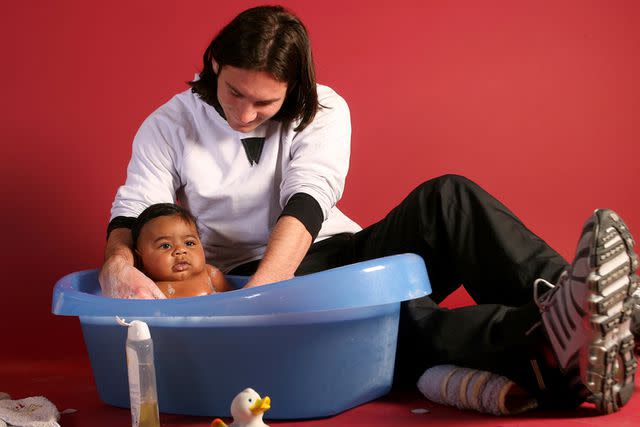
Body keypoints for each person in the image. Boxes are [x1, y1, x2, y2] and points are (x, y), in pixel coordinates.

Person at [99, 5, 639, 415]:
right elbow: (135, 209)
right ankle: (546, 340)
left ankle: (582, 303)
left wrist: (271, 289)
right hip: (244, 278)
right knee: (394, 315)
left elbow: (308, 198)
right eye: (235, 92)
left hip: (321, 251)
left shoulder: (325, 106)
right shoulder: (169, 124)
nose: (245, 113)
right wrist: (119, 265)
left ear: (295, 89)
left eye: (265, 103)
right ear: (215, 63)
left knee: (447, 196)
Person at [131, 203, 232, 298]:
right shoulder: (143, 287)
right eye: (165, 246)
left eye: (189, 243)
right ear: (140, 259)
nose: (180, 250)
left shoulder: (211, 275)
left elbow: (231, 303)